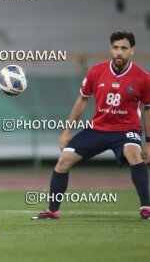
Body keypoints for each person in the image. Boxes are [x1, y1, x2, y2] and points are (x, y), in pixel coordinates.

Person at [32, 31, 150, 220]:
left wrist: (149, 142)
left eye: (124, 48)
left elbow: (147, 109)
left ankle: (146, 208)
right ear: (110, 49)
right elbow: (82, 100)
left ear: (132, 51)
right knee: (64, 160)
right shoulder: (96, 71)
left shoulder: (143, 78)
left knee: (133, 153)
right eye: (115, 48)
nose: (119, 52)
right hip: (97, 129)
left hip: (127, 130)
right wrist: (67, 131)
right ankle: (52, 211)